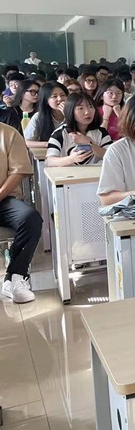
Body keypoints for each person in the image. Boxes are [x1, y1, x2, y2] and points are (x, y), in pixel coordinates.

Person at [0, 123, 41, 303]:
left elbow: (18, 172)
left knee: (30, 218)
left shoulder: (8, 134)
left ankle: (16, 276)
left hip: (5, 198)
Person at [46, 92, 111, 167]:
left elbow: (110, 156)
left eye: (90, 107)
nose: (87, 112)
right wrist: (71, 159)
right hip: (68, 174)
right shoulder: (60, 133)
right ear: (70, 111)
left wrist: (89, 143)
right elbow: (49, 161)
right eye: (81, 108)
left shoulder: (101, 132)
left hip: (95, 174)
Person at [24, 81, 67, 147]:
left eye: (63, 95)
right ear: (46, 100)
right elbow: (26, 142)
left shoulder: (75, 114)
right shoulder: (39, 117)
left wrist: (67, 115)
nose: (60, 99)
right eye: (54, 96)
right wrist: (49, 143)